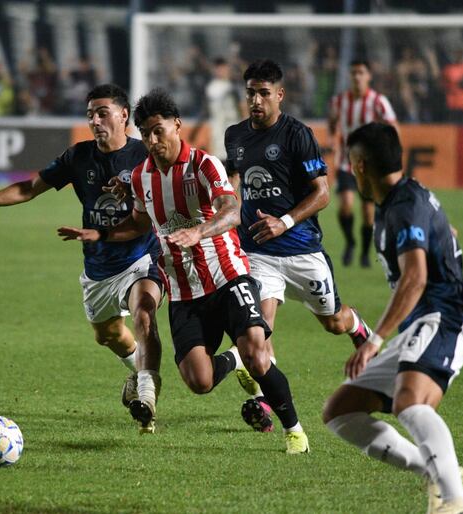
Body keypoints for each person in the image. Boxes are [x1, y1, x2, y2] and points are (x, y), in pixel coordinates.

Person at [59, 88, 307, 454]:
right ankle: (233, 358)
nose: (153, 140)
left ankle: (295, 432)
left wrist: (199, 231)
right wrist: (102, 233)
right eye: (146, 134)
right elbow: (140, 223)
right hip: (184, 291)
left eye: (159, 130)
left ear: (177, 125)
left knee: (258, 353)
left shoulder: (205, 165)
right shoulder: (142, 176)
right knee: (199, 381)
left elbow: (232, 210)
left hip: (227, 276)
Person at [0, 84, 165, 433]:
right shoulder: (79, 156)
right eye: (90, 115)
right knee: (109, 335)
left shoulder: (145, 156)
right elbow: (29, 188)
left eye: (103, 113)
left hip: (141, 257)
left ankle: (147, 395)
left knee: (144, 313)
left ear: (124, 115)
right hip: (98, 266)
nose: (95, 120)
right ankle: (138, 371)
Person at [323, 122, 463, 514]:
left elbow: (416, 276)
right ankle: (434, 471)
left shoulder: (403, 205)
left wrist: (374, 341)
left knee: (410, 403)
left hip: (445, 318)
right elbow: (446, 230)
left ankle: (457, 504)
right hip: (421, 323)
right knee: (341, 411)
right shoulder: (401, 199)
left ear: (358, 166)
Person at [224, 59, 372, 446]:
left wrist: (284, 222)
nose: (255, 100)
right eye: (251, 92)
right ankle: (266, 402)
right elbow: (233, 184)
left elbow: (322, 193)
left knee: (334, 322)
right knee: (258, 333)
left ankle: (359, 328)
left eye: (263, 93)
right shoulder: (235, 136)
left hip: (302, 250)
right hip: (256, 251)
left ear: (280, 95)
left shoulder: (298, 134)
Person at [328, 59, 398, 268]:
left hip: (370, 167)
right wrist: (333, 139)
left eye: (361, 72)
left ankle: (365, 253)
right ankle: (350, 242)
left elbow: (392, 126)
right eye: (353, 73)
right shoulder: (339, 101)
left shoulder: (378, 101)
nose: (357, 77)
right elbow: (332, 123)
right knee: (345, 206)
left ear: (369, 76)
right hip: (346, 163)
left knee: (368, 214)